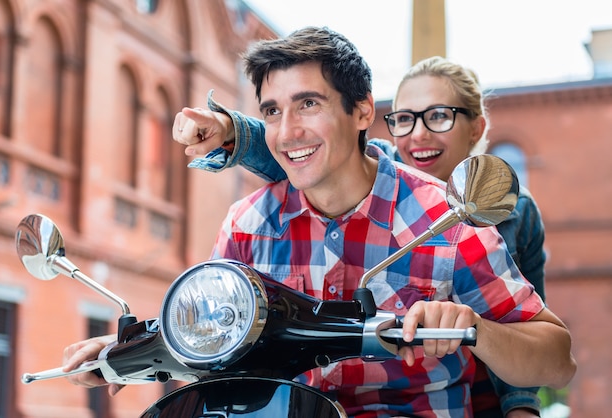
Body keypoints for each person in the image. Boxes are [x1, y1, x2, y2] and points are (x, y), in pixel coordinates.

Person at [64, 27, 575, 417]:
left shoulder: (444, 217)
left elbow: (556, 360)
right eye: (271, 111)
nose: (287, 132)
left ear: (361, 112)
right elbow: (219, 344)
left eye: (307, 103)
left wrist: (476, 329)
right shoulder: (246, 223)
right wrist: (127, 352)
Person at [174, 56, 547, 417]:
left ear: (476, 129)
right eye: (403, 119)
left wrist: (520, 404)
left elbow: (535, 338)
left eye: (438, 117)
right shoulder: (274, 205)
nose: (418, 135)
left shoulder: (497, 214)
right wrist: (229, 130)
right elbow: (296, 150)